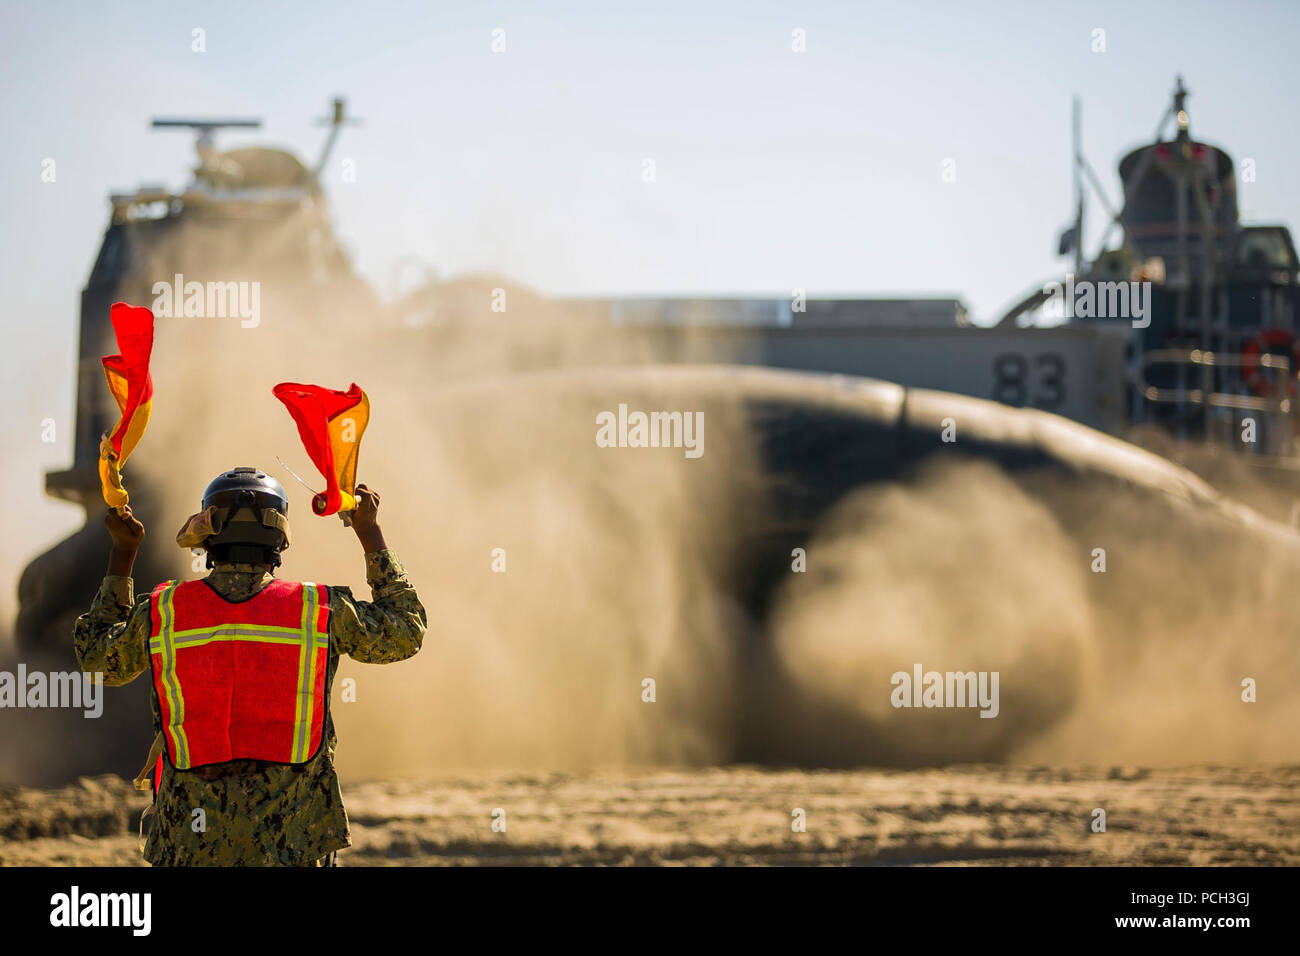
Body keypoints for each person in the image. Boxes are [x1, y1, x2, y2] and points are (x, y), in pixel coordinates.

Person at [74, 466, 426, 866]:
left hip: (189, 849)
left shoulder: (165, 612)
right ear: (279, 538)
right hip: (294, 850)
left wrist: (123, 554)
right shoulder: (318, 609)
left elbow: (98, 662)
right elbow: (404, 632)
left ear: (208, 536)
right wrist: (369, 532)